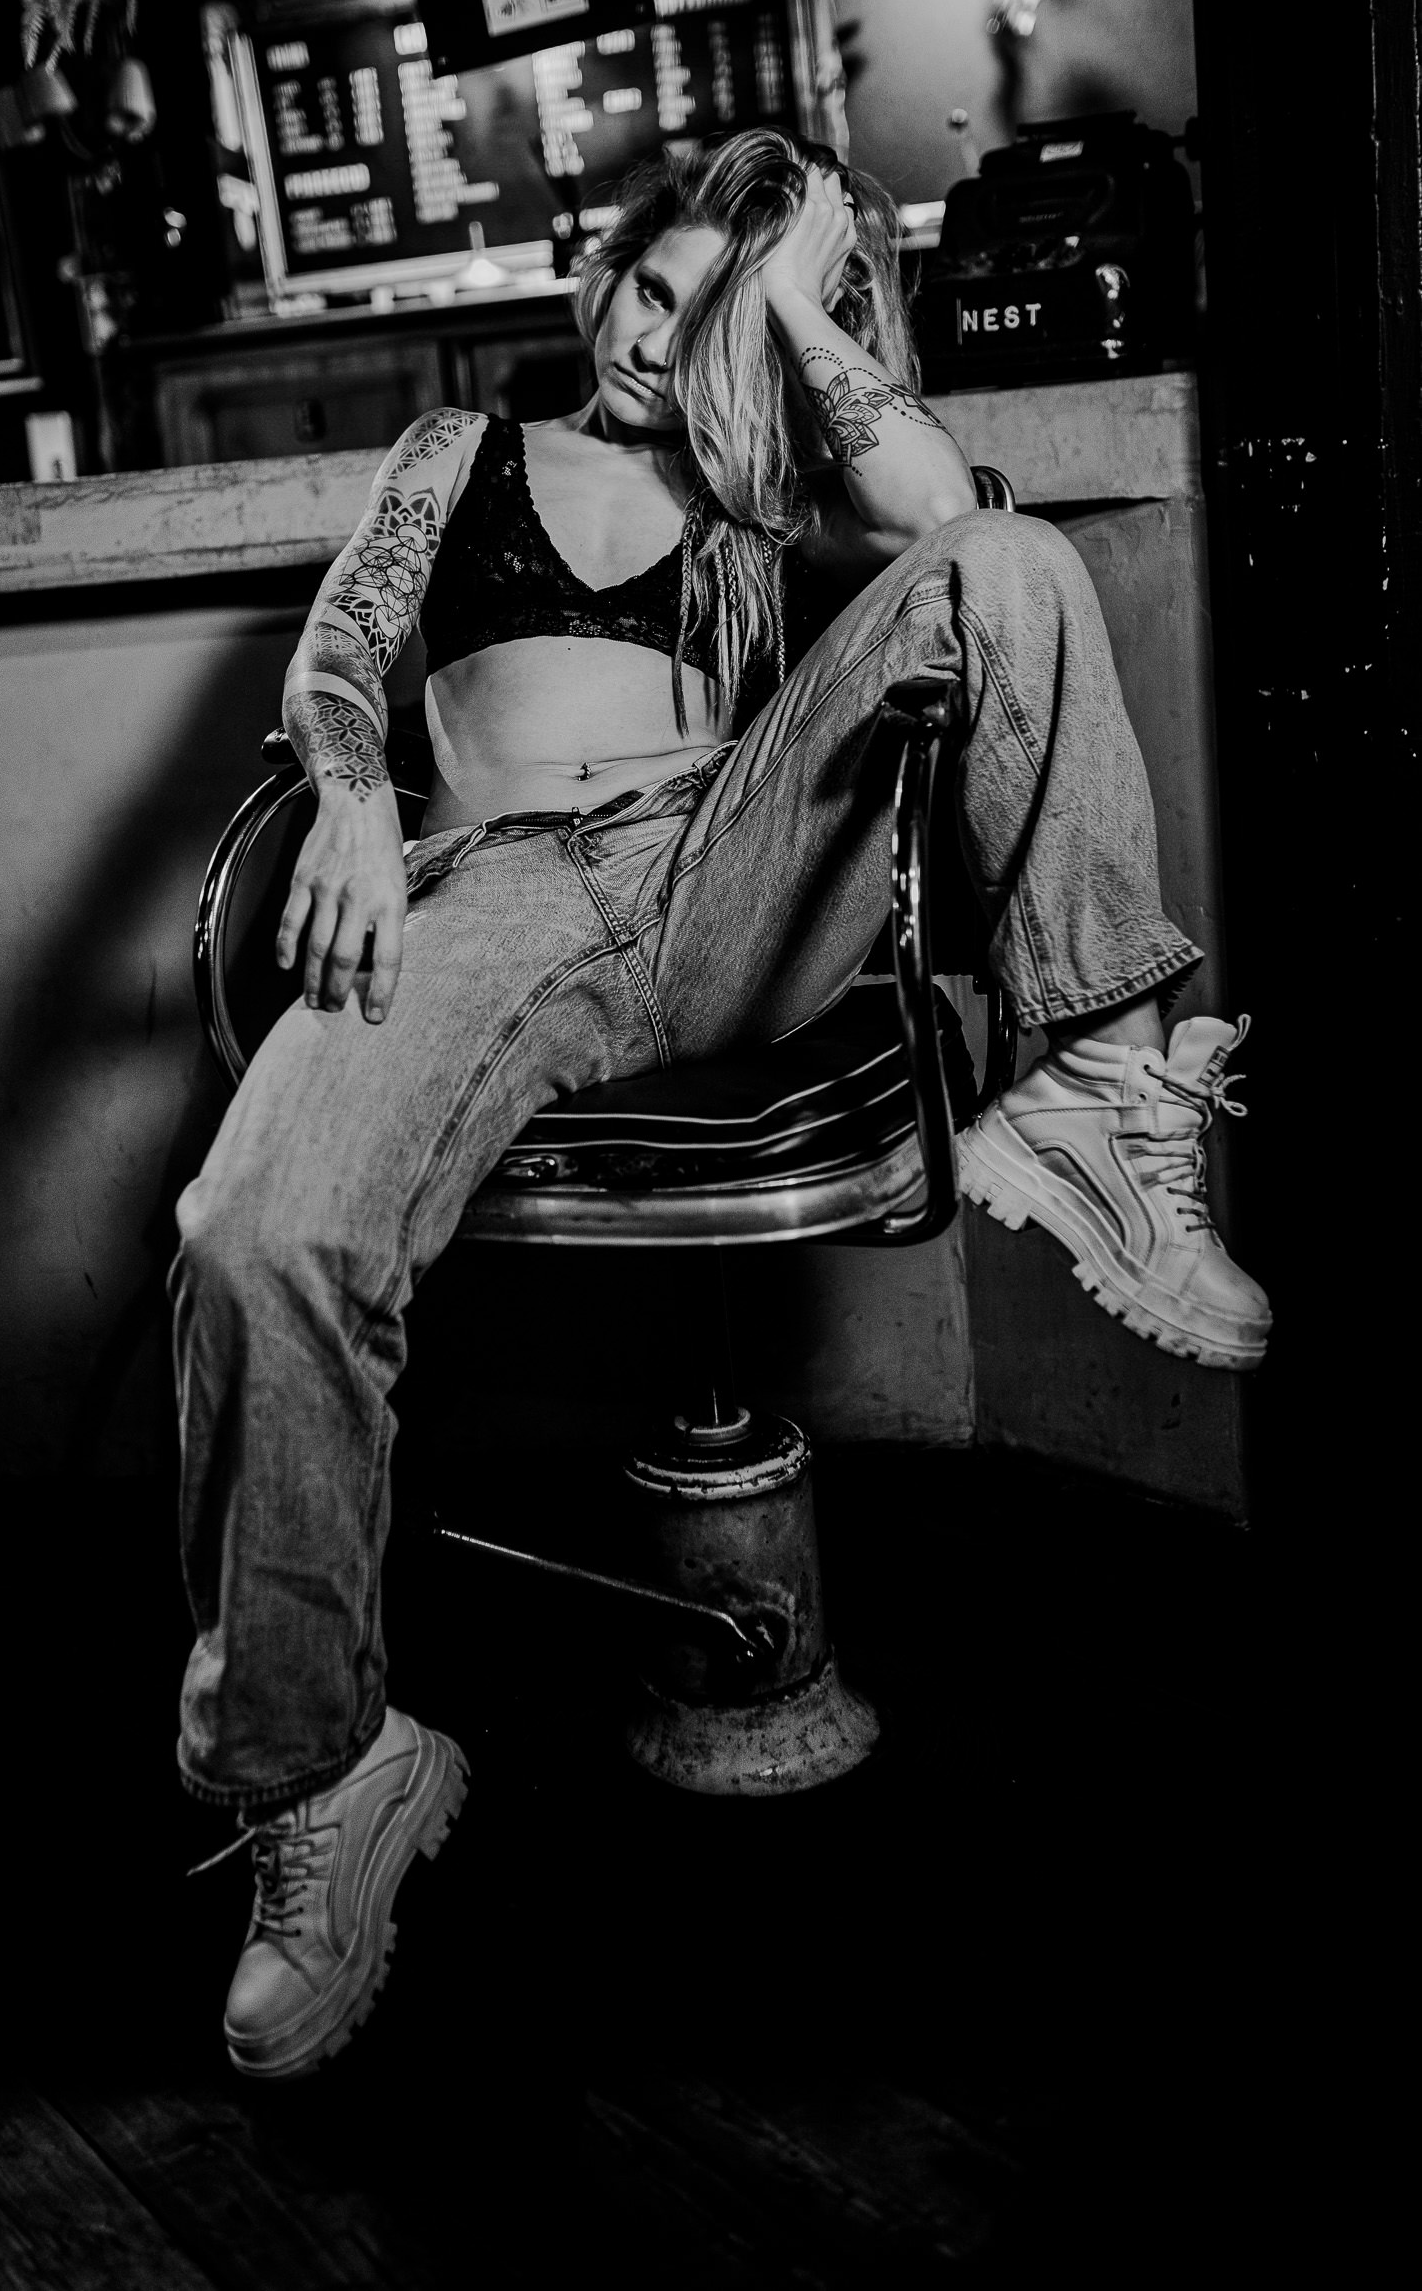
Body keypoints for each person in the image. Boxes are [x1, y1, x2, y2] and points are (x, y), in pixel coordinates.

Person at [173, 126, 1269, 2080]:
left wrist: (788, 309)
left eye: (705, 320)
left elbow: (951, 520)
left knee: (1007, 559)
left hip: (728, 876)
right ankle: (326, 1774)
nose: (648, 343)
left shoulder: (768, 495)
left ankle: (1101, 1078)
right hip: (492, 902)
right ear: (597, 276)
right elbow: (342, 649)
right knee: (252, 1236)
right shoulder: (460, 450)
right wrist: (347, 795)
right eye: (646, 291)